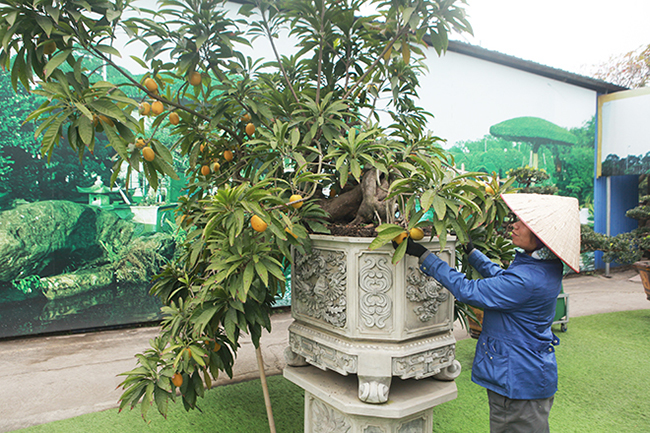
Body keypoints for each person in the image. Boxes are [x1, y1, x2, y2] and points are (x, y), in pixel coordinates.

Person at [396, 193, 580, 433]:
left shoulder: (528, 280)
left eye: (523, 222)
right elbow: (503, 278)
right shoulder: (544, 266)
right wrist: (472, 253)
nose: (514, 224)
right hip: (527, 374)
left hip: (518, 382)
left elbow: (467, 290)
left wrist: (424, 255)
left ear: (541, 236)